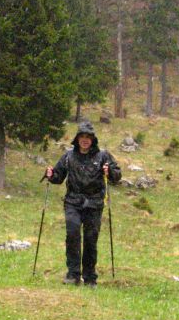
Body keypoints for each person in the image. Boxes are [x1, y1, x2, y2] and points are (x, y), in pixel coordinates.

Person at [44, 121, 121, 287]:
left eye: (88, 137)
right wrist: (50, 174)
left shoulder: (103, 156)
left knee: (90, 239)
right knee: (72, 234)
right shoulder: (68, 156)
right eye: (82, 137)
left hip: (94, 203)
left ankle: (90, 277)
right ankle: (72, 275)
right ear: (77, 139)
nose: (85, 140)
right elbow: (58, 177)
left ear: (93, 139)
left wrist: (110, 172)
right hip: (73, 202)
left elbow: (117, 175)